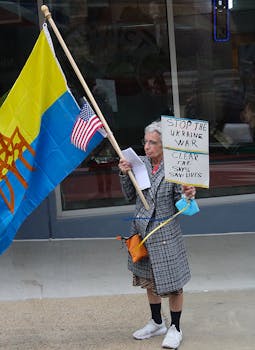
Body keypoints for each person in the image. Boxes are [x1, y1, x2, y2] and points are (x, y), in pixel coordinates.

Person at [118, 120, 195, 349]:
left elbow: (179, 206)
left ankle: (176, 328)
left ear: (164, 145)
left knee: (174, 285)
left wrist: (188, 194)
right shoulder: (138, 163)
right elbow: (128, 195)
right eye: (146, 142)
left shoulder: (174, 168)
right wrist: (125, 173)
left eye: (153, 143)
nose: (147, 147)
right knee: (149, 281)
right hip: (142, 231)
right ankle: (157, 322)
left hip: (165, 234)